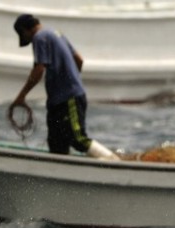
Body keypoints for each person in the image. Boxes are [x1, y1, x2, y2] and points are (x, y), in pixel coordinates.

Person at [7, 13, 118, 160]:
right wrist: (71, 79)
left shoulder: (39, 38)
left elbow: (38, 70)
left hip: (68, 99)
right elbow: (79, 60)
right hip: (60, 101)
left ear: (24, 30)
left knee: (77, 138)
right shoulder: (56, 33)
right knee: (57, 145)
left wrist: (21, 97)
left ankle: (115, 161)